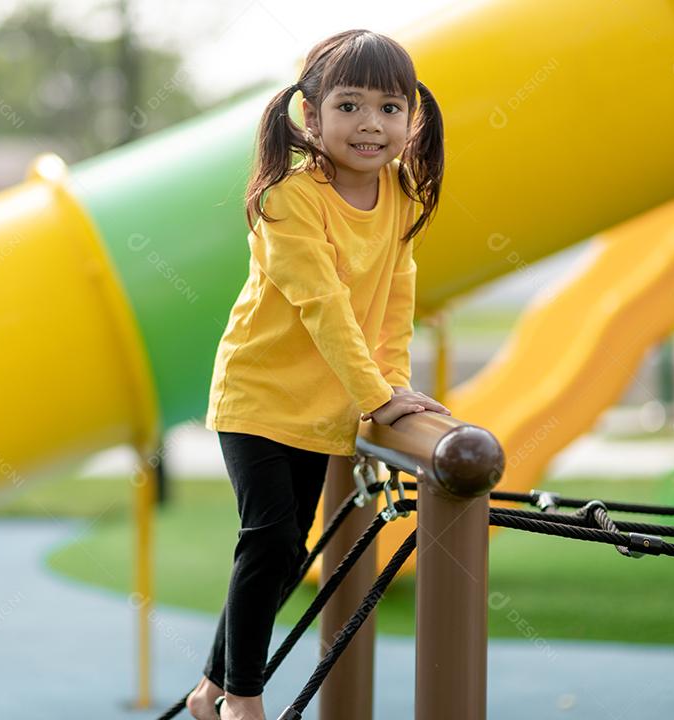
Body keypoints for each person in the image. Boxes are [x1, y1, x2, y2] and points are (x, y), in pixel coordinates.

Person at [187, 29, 449, 720]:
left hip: (327, 405)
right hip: (257, 396)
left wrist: (391, 385)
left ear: (412, 118)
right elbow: (323, 307)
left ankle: (210, 687)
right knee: (270, 539)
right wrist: (376, 395)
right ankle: (242, 698)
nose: (371, 124)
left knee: (287, 550)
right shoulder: (289, 200)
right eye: (350, 105)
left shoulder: (397, 193)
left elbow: (395, 300)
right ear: (312, 116)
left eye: (390, 108)